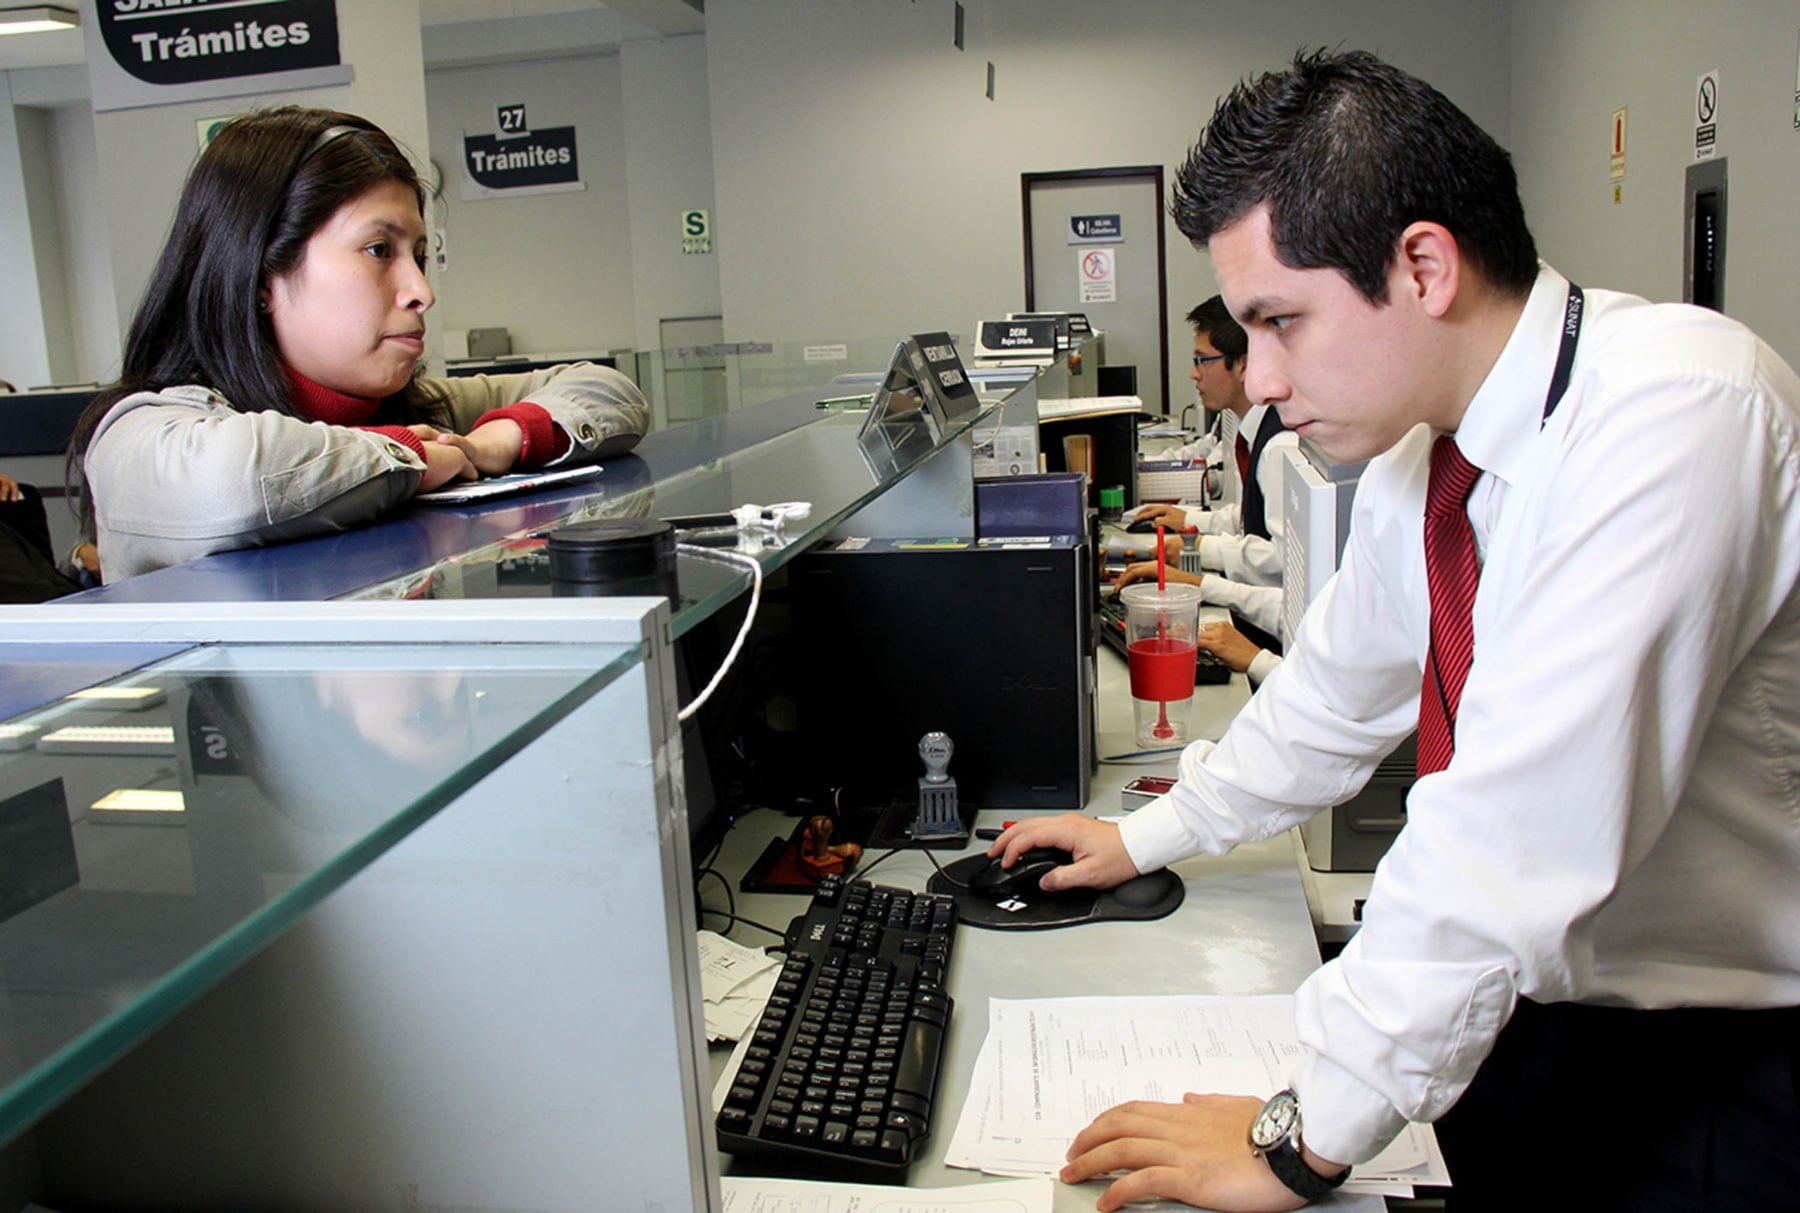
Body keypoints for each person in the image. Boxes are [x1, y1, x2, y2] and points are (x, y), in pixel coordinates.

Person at [993, 48, 1800, 1213]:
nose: (1259, 376)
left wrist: (1295, 1139)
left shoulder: (1675, 417)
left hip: (1708, 1073)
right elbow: (1328, 703)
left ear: (1422, 264)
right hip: (1526, 1021)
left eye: (1280, 321)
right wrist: (1146, 838)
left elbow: (1504, 844)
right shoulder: (1430, 452)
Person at [69, 107, 649, 581]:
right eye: (379, 251)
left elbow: (607, 390)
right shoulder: (146, 434)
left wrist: (501, 440)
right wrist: (408, 456)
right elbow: (226, 480)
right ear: (260, 275)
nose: (421, 291)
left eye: (419, 257)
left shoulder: (422, 414)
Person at [1133, 296, 1296, 596]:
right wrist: (1190, 521)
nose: (1194, 374)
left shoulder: (1280, 446)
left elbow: (1283, 560)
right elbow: (1253, 518)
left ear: (1243, 365)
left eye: (1201, 360)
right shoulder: (1254, 429)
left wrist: (1201, 548)